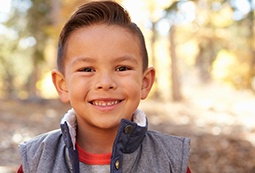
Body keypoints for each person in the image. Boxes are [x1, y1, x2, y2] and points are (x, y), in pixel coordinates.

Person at [17, 1, 191, 173]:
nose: (105, 83)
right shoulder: (36, 161)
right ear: (63, 86)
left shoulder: (172, 161)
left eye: (122, 68)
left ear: (145, 83)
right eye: (87, 69)